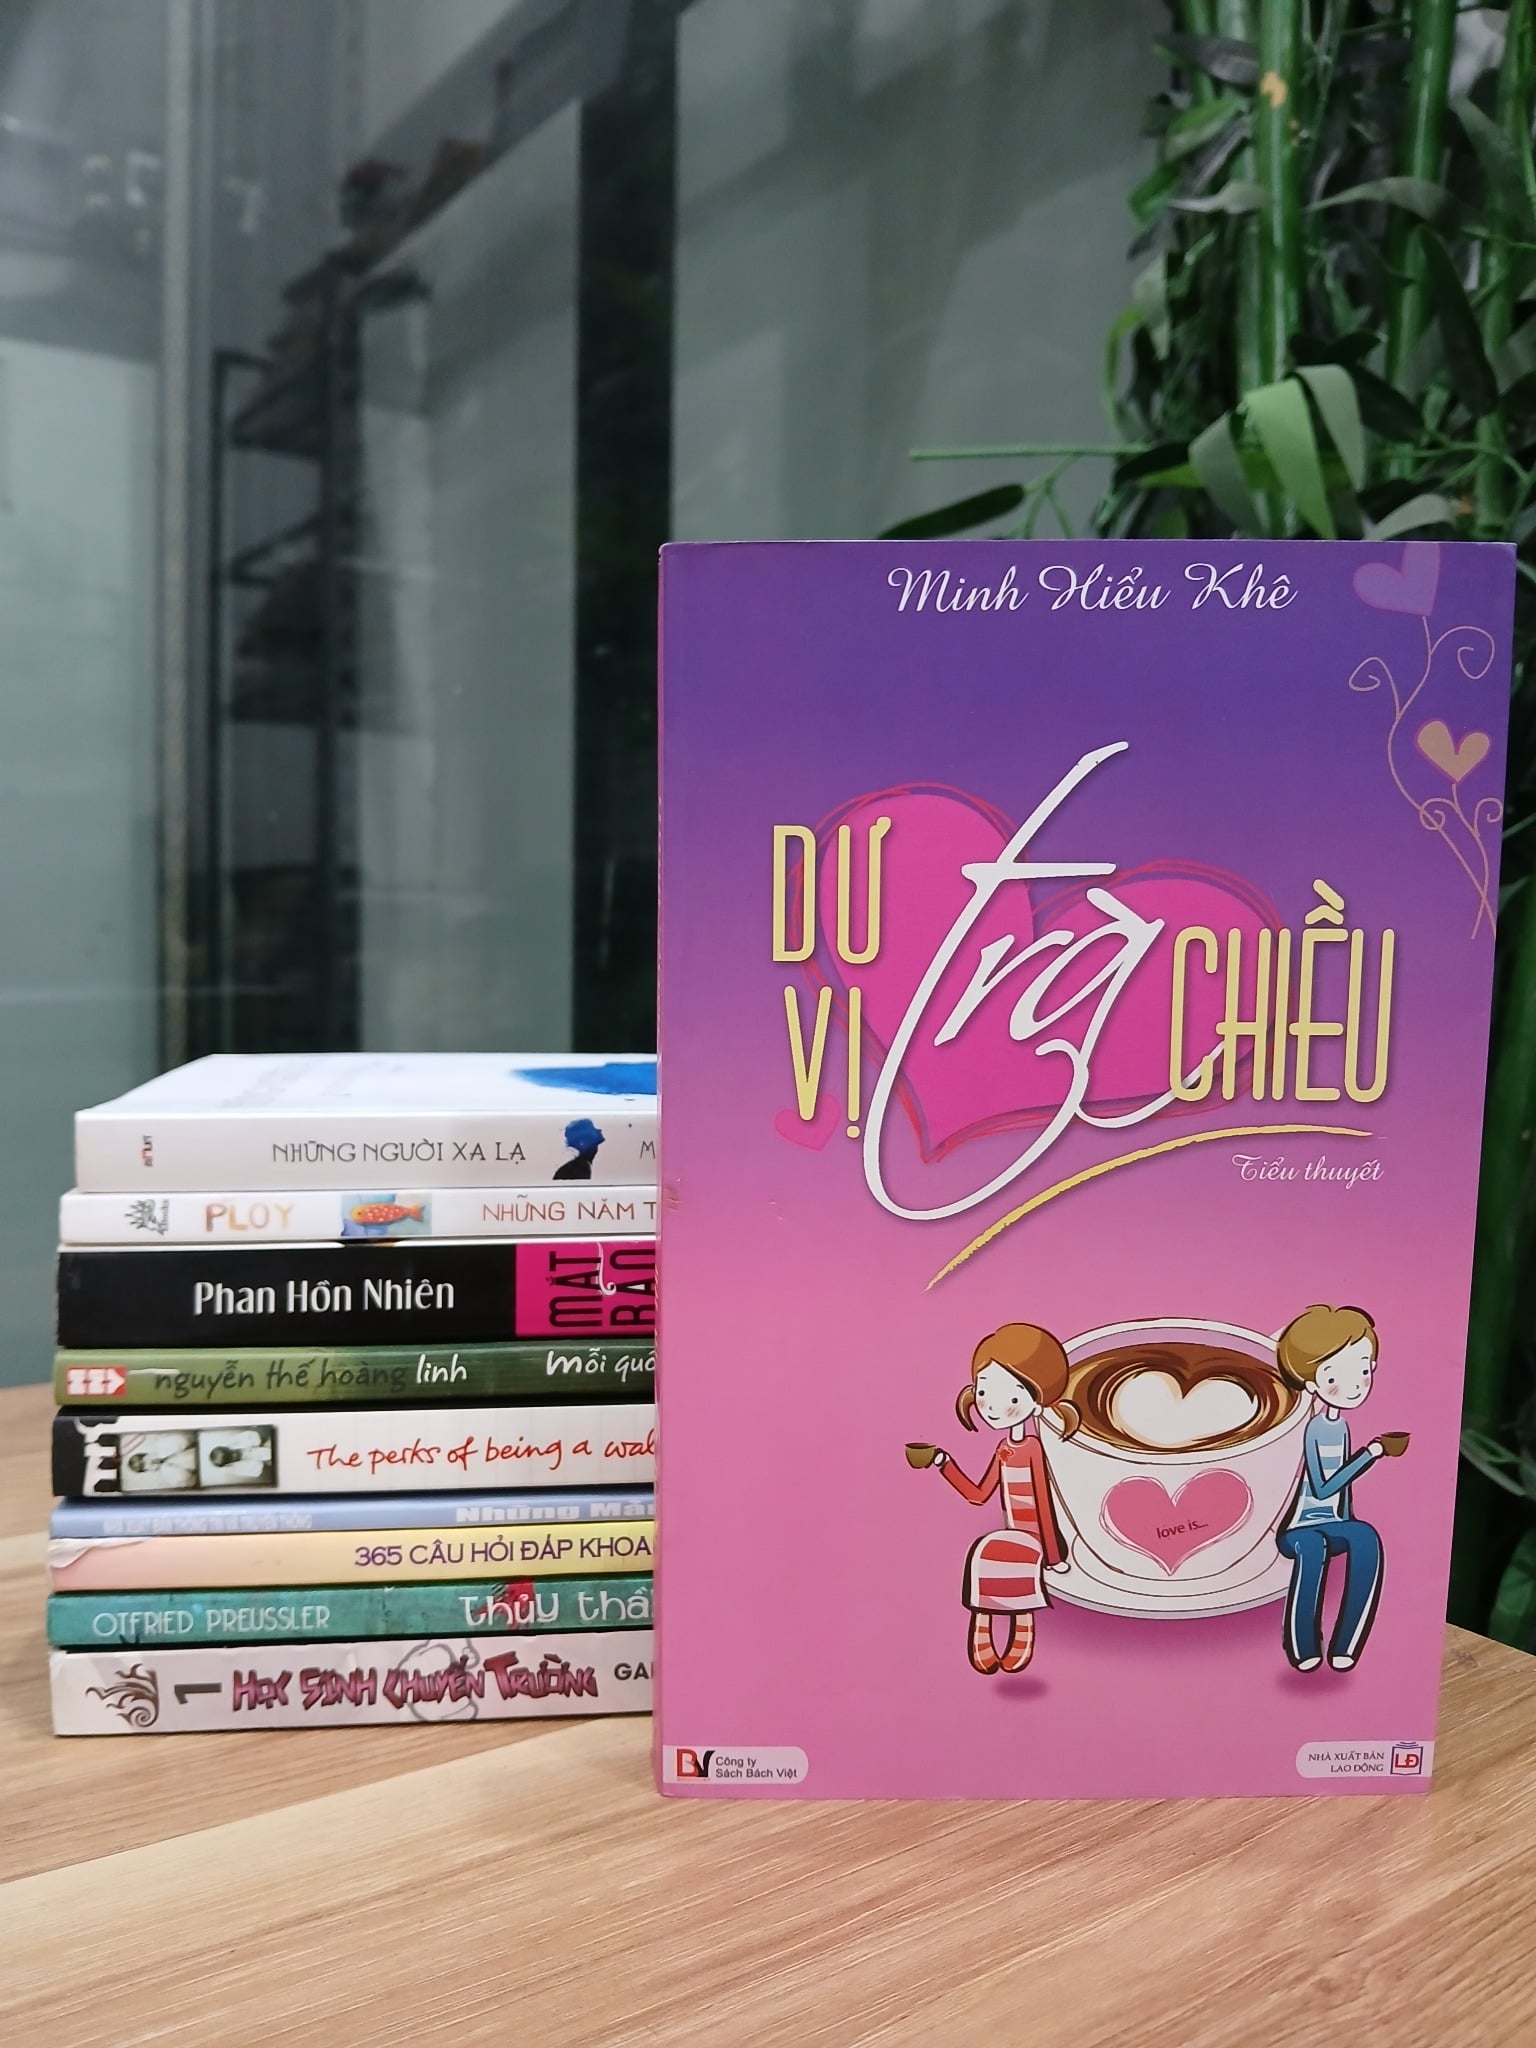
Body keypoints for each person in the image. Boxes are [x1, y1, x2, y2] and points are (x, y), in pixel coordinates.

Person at [908, 1322, 1077, 1674]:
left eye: (1013, 1398)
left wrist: (1053, 1555)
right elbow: (978, 1495)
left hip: (1035, 1541)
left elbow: (1043, 1505)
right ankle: (982, 1628)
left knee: (1005, 1557)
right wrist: (943, 1462)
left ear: (1037, 1403)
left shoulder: (1032, 1449)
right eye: (984, 1392)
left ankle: (1021, 1631)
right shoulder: (1004, 1450)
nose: (992, 1408)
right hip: (1014, 1535)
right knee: (985, 1554)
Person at [1274, 1303, 1408, 1673]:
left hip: (1333, 1523)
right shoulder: (1316, 1429)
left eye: (1363, 1371)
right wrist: (1371, 1454)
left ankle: (1347, 1644)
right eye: (1335, 1376)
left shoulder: (1341, 1427)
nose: (1354, 1386)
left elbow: (1340, 1498)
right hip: (1300, 1529)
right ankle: (1303, 1646)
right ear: (1312, 1383)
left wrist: (1347, 1519)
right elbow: (1322, 1487)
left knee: (1366, 1537)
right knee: (1313, 1547)